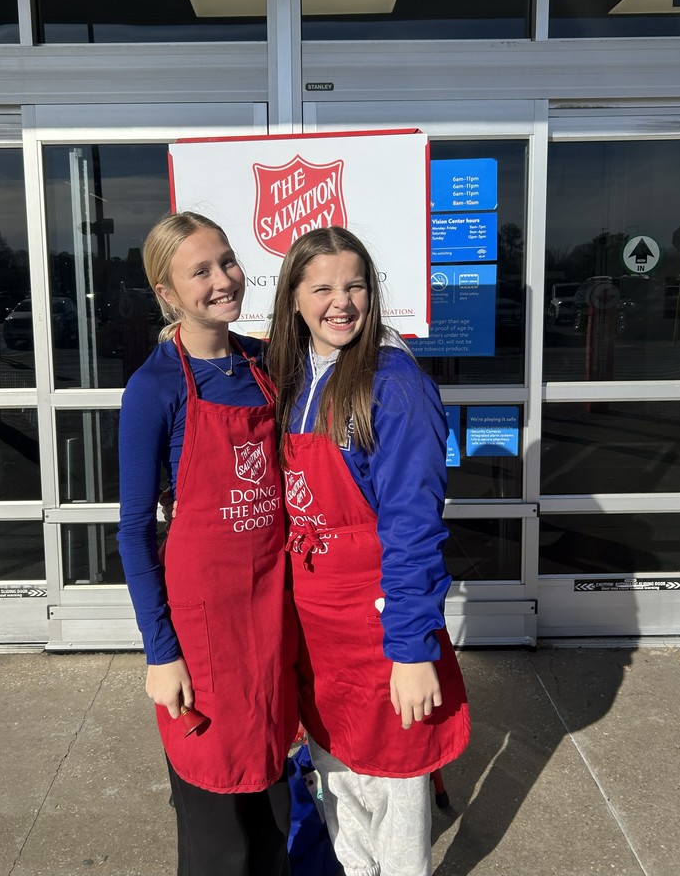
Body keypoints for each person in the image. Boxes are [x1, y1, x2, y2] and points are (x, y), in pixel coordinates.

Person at [266, 226, 470, 876]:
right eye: (322, 287)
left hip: (380, 627)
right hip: (319, 631)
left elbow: (414, 530)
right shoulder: (293, 378)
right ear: (294, 298)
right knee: (338, 776)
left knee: (397, 779)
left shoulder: (394, 386)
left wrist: (411, 651)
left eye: (355, 285)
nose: (341, 301)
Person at [117, 211, 298, 876]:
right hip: (204, 635)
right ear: (167, 292)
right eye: (200, 271)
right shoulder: (155, 387)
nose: (223, 279)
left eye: (226, 261)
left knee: (276, 810)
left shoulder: (265, 363)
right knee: (217, 829)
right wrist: (160, 655)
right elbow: (134, 532)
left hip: (272, 619)